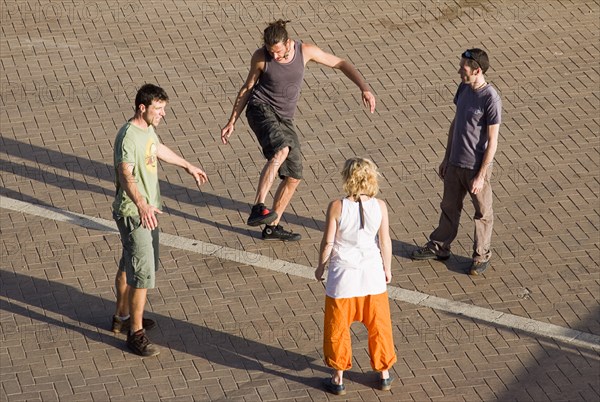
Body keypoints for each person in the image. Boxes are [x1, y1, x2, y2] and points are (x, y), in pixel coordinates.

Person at [221, 19, 376, 241]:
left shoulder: (305, 51)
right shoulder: (260, 57)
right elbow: (247, 88)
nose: (274, 57)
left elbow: (341, 63)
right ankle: (258, 206)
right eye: (270, 52)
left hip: (284, 118)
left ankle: (272, 226)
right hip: (259, 109)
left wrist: (365, 88)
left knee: (294, 176)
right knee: (281, 149)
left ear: (288, 43)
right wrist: (231, 121)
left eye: (279, 53)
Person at [111, 83, 208, 356]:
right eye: (159, 109)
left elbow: (156, 148)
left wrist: (187, 165)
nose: (163, 114)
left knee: (129, 264)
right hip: (136, 214)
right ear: (142, 108)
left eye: (164, 108)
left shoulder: (146, 129)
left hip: (144, 211)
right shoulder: (128, 137)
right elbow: (125, 173)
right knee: (143, 274)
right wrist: (142, 205)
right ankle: (136, 332)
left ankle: (122, 317)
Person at [411, 48, 502, 276]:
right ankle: (439, 246)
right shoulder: (463, 88)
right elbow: (456, 123)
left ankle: (481, 256)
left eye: (464, 68)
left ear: (477, 70)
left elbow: (492, 141)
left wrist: (481, 175)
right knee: (449, 207)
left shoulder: (490, 98)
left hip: (475, 168)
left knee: (483, 213)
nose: (459, 70)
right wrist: (446, 157)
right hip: (455, 163)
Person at [315, 157, 396, 395]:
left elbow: (328, 242)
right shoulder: (380, 206)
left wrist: (321, 267)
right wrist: (387, 269)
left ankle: (338, 377)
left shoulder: (337, 206)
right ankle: (384, 374)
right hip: (372, 278)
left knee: (337, 329)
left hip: (343, 281)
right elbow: (385, 241)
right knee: (379, 327)